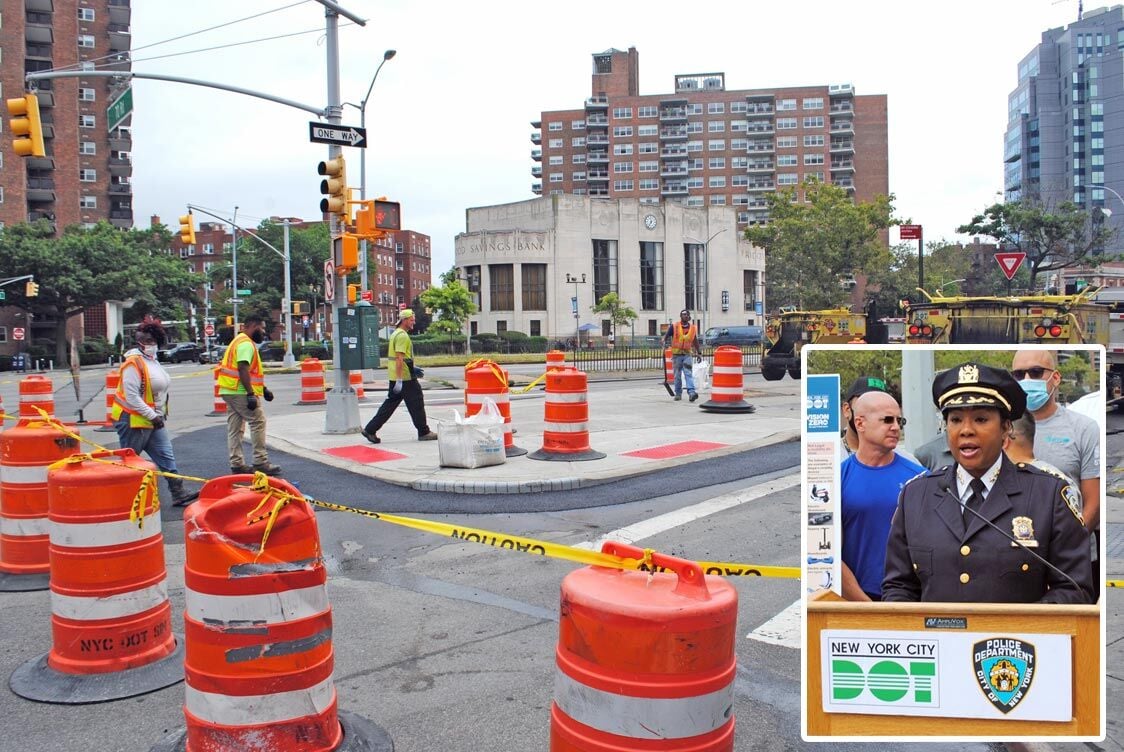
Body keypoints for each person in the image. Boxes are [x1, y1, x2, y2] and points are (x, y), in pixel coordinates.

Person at [882, 362, 1092, 604]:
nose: (966, 430)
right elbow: (898, 587)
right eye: (956, 420)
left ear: (1006, 428)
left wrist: (1015, 630)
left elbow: (1074, 589)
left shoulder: (1049, 494)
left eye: (981, 419)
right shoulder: (916, 495)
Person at [1010, 349, 1101, 590]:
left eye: (1036, 372)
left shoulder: (1083, 428)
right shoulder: (1001, 427)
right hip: (1014, 562)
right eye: (1019, 374)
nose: (1027, 380)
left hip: (1072, 562)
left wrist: (1069, 544)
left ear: (1056, 378)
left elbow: (1093, 500)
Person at [839, 390, 925, 601]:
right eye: (887, 420)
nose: (895, 427)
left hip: (910, 602)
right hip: (855, 605)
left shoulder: (920, 478)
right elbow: (828, 552)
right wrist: (864, 606)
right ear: (860, 423)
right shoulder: (836, 478)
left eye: (899, 420)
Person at [112, 322, 199, 506]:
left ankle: (178, 491)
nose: (145, 344)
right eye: (141, 341)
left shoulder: (152, 361)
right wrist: (153, 415)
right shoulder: (133, 363)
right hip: (133, 420)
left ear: (158, 340)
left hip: (152, 419)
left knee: (166, 455)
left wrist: (156, 416)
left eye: (149, 340)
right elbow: (132, 396)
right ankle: (123, 498)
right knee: (130, 460)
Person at [217, 314, 281, 476]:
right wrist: (251, 393)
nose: (264, 331)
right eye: (262, 327)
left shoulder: (237, 341)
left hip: (229, 390)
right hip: (240, 391)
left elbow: (249, 372)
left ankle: (237, 463)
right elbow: (242, 368)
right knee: (258, 421)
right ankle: (260, 461)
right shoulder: (246, 344)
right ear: (253, 326)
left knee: (235, 427)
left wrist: (263, 388)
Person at [362, 309, 438, 443]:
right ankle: (424, 432)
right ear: (404, 320)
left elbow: (398, 358)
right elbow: (399, 358)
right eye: (411, 319)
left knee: (389, 404)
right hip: (405, 378)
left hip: (398, 375)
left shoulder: (395, 333)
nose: (413, 322)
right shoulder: (402, 336)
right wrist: (399, 379)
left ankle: (370, 429)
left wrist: (407, 370)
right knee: (417, 402)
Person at [662, 309, 702, 402]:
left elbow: (695, 341)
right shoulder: (674, 326)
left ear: (689, 317)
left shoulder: (692, 328)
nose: (685, 316)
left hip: (687, 354)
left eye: (687, 314)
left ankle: (691, 393)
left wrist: (699, 353)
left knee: (688, 373)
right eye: (684, 314)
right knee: (677, 375)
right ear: (681, 316)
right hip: (676, 356)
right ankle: (678, 394)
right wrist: (664, 341)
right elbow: (666, 336)